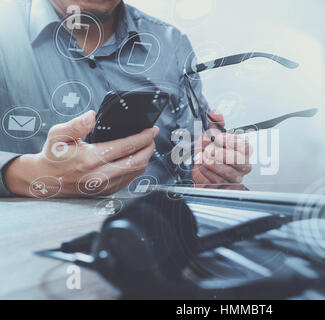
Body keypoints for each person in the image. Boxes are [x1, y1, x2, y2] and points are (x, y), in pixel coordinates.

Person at [0, 0, 252, 197]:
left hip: (158, 241)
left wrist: (211, 171)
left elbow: (193, 162)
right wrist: (31, 174)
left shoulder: (170, 44)